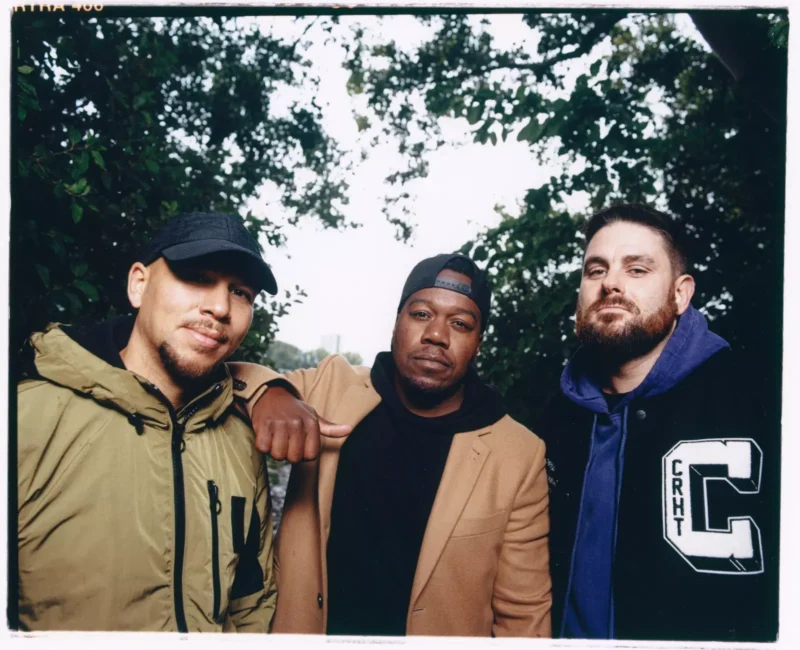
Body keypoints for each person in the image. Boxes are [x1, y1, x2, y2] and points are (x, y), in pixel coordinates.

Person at [230, 253, 552, 637]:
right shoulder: (329, 388)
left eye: (460, 324)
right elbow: (223, 380)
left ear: (478, 344)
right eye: (421, 314)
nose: (436, 335)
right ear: (397, 323)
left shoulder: (518, 454)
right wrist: (269, 392)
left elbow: (524, 615)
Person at [16, 212, 293, 632]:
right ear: (138, 285)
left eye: (240, 292)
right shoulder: (26, 419)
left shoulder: (240, 439)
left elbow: (251, 602)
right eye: (197, 278)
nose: (220, 308)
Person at [536, 204, 779, 642]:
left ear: (681, 294)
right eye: (596, 270)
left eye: (637, 269)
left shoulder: (762, 400)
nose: (611, 283)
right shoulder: (554, 418)